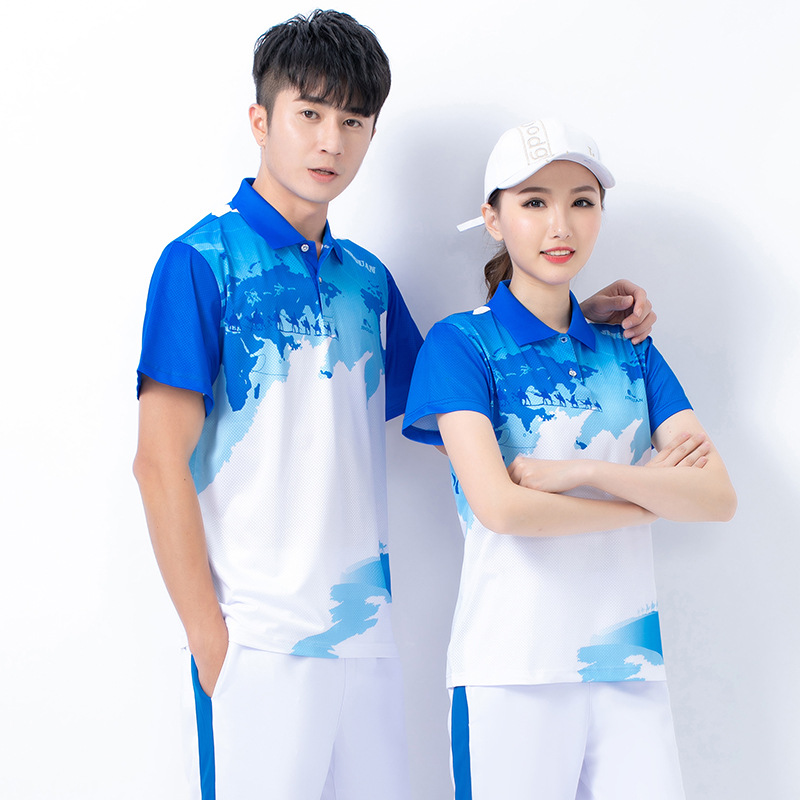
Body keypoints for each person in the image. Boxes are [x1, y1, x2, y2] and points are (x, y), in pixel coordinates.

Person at [133, 11, 658, 797]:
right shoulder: (200, 262)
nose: (330, 142)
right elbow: (156, 463)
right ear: (260, 121)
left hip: (367, 644)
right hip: (257, 642)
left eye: (353, 121)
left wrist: (574, 316)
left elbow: (469, 397)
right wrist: (211, 638)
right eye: (310, 114)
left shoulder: (367, 281)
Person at [402, 118, 736, 799]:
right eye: (534, 201)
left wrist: (585, 473)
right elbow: (502, 509)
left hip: (631, 669)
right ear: (493, 218)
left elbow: (717, 497)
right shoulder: (460, 345)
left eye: (582, 201)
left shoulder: (629, 349)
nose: (561, 224)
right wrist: (645, 499)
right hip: (511, 671)